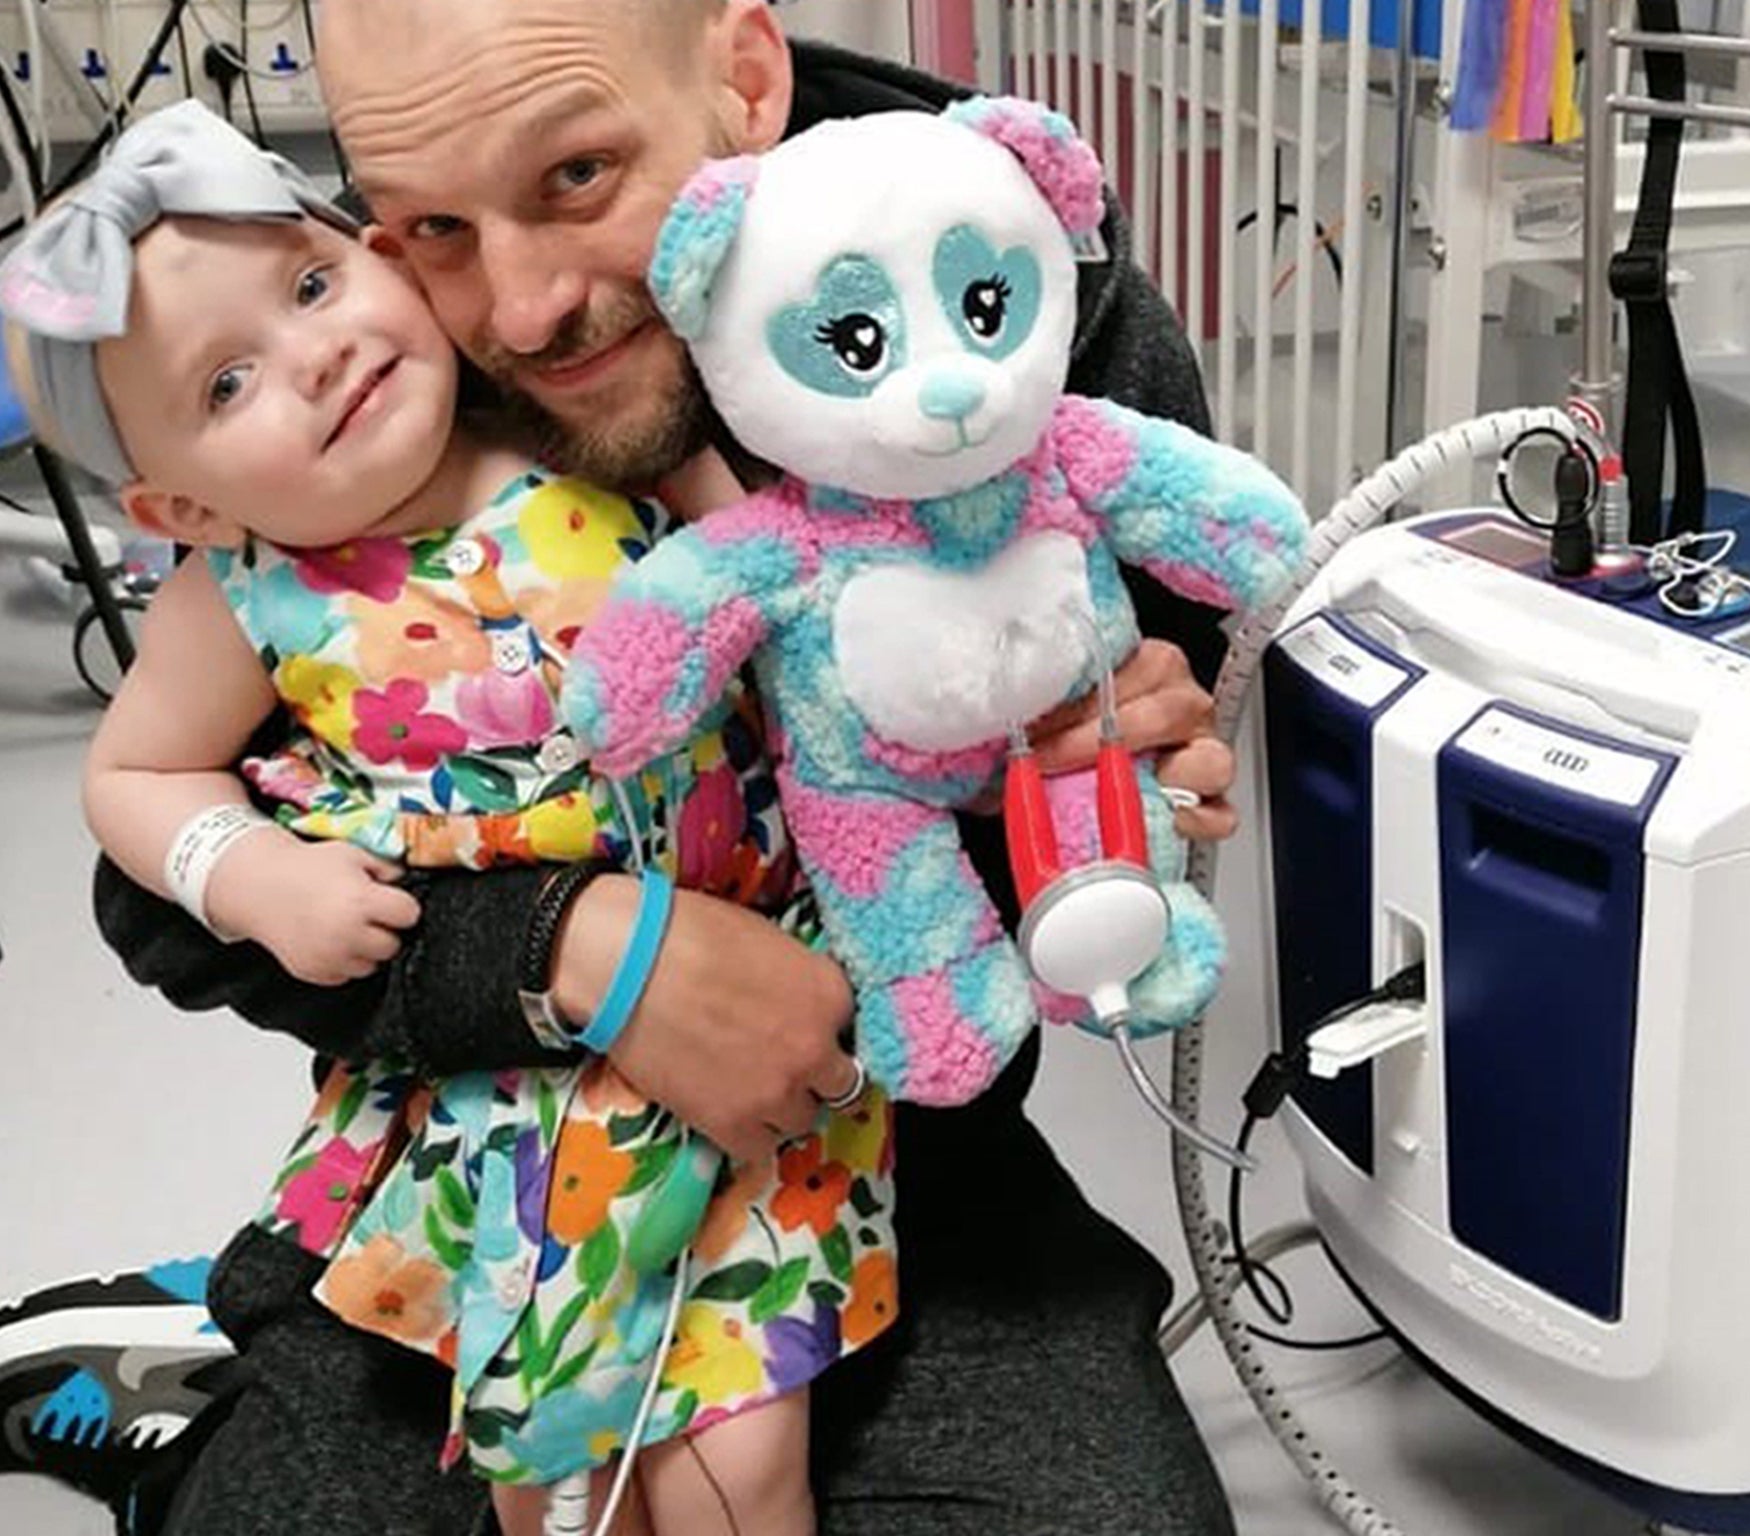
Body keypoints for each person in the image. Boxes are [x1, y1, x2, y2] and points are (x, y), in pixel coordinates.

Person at [81, 2, 1243, 1532]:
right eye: (427, 224)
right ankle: (172, 1386)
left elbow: (1075, 844)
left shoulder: (1008, 284)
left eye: (574, 177)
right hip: (482, 1143)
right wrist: (565, 950)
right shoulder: (381, 399)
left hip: (882, 1142)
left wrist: (1098, 797)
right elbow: (155, 880)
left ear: (747, 79)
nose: (522, 305)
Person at [4, 101, 902, 1536]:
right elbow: (133, 781)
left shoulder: (581, 430)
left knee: (740, 1465)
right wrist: (249, 876)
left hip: (757, 1044)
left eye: (310, 288)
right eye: (230, 384)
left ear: (376, 258)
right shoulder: (240, 601)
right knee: (547, 1477)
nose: (316, 358)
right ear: (179, 505)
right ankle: (182, 1374)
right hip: (507, 1111)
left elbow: (782, 584)